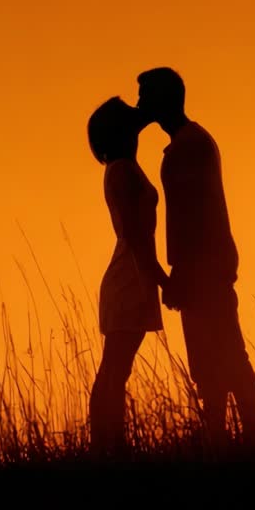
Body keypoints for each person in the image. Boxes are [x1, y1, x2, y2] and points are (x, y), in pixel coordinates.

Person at [135, 67, 255, 450]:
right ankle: (221, 441)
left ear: (164, 99)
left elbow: (194, 216)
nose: (140, 103)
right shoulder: (190, 142)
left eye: (145, 96)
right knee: (213, 362)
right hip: (203, 266)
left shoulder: (188, 147)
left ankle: (248, 440)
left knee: (226, 355)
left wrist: (182, 276)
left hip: (202, 267)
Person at [87, 96, 168, 454]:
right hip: (129, 276)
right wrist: (163, 279)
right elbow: (135, 236)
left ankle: (107, 445)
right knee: (115, 368)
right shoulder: (120, 169)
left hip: (133, 272)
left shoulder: (123, 165)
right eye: (128, 117)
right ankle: (107, 446)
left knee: (117, 366)